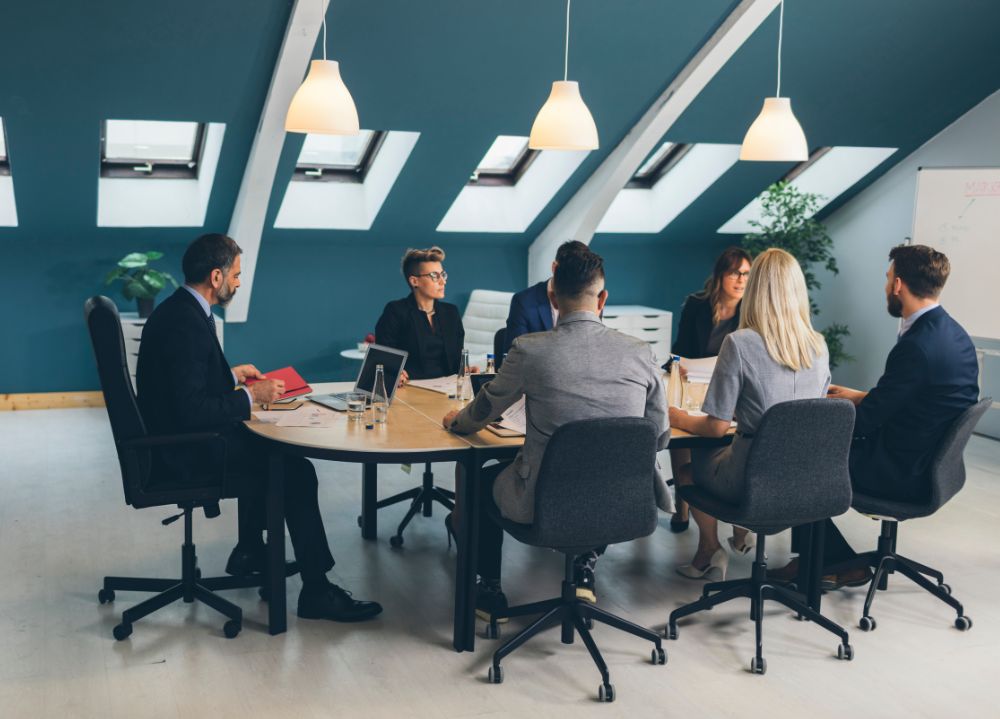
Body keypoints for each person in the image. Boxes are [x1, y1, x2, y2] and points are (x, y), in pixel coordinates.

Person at [136, 233, 382, 623]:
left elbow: (186, 386)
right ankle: (317, 590)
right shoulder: (186, 322)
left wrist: (231, 376)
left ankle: (250, 550)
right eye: (235, 274)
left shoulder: (182, 310)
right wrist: (254, 397)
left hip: (174, 439)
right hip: (183, 451)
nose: (237, 282)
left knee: (266, 447)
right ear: (215, 277)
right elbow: (191, 410)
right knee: (295, 471)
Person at [440, 247, 672, 617]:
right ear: (603, 299)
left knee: (478, 478)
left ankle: (488, 588)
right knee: (596, 474)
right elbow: (659, 436)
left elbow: (487, 407)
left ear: (552, 295)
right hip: (624, 499)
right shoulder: (640, 351)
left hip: (544, 500)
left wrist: (458, 421)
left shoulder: (531, 350)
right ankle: (584, 566)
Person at [781, 244, 979, 588]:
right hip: (931, 461)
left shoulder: (916, 346)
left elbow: (868, 422)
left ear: (898, 285)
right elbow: (924, 398)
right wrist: (861, 397)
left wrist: (816, 423)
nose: (886, 285)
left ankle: (829, 563)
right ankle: (831, 559)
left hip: (901, 470)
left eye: (887, 278)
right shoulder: (953, 334)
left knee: (805, 458)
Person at [669, 248, 830, 581]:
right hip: (806, 481)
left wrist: (676, 416)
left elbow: (715, 427)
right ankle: (739, 537)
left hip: (752, 480)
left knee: (687, 469)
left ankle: (708, 551)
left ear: (755, 288)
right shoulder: (818, 345)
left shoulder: (740, 344)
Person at [667, 246, 752, 533]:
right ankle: (682, 507)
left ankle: (735, 526)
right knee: (678, 435)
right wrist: (677, 365)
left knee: (715, 433)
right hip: (695, 385)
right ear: (720, 275)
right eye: (735, 273)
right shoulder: (696, 305)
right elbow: (680, 349)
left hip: (733, 391)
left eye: (746, 274)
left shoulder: (750, 311)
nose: (741, 280)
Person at [375, 246, 474, 382]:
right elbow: (382, 359)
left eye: (443, 274)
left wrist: (466, 369)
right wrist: (394, 372)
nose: (442, 281)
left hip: (448, 389)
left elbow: (457, 360)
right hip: (410, 389)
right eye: (434, 276)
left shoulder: (451, 313)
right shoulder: (396, 311)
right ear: (415, 281)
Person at [502, 240, 589, 356]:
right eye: (569, 274)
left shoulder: (590, 301)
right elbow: (515, 355)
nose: (574, 283)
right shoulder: (523, 302)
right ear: (554, 268)